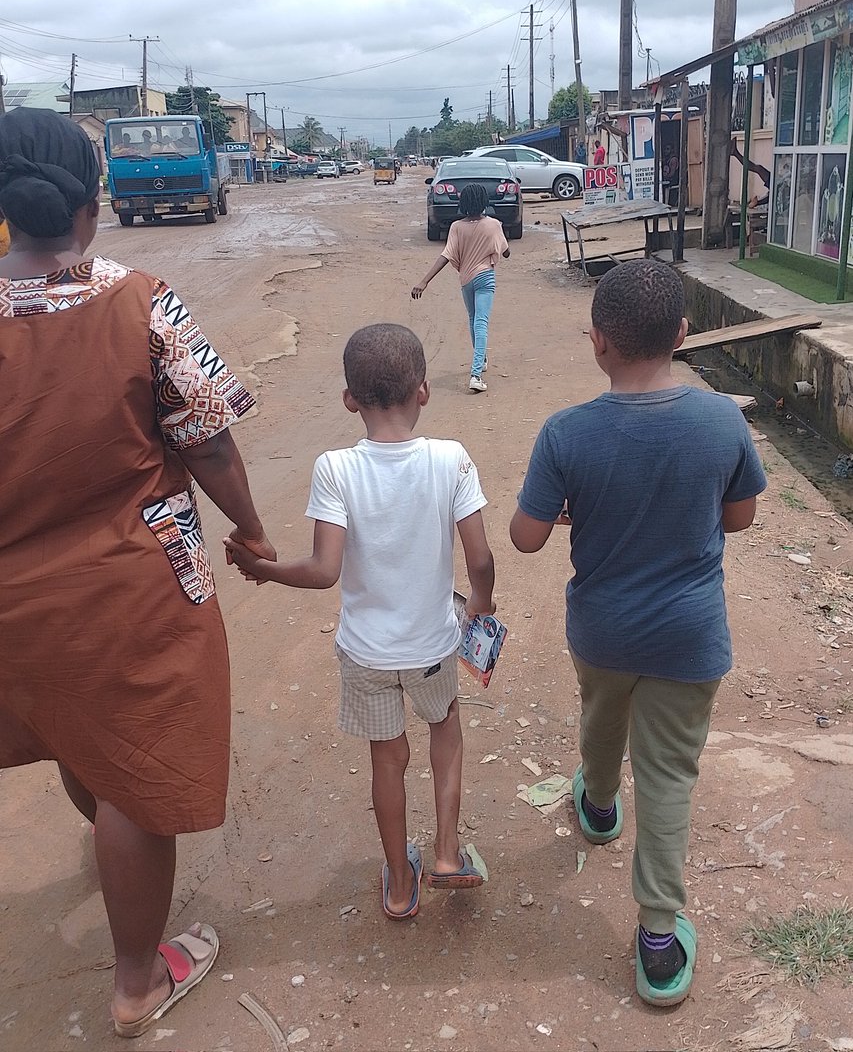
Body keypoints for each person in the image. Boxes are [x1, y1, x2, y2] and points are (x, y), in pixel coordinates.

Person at [0, 108, 275, 1038]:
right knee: (134, 771)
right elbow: (208, 440)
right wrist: (253, 530)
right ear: (93, 204)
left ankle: (112, 854)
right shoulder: (142, 300)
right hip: (134, 588)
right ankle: (134, 983)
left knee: (79, 737)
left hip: (14, 608)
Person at [509, 260, 766, 1008]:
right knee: (667, 778)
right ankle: (657, 937)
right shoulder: (720, 418)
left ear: (596, 342)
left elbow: (526, 538)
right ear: (682, 335)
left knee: (601, 717)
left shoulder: (566, 432)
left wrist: (567, 508)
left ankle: (594, 806)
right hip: (688, 639)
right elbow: (739, 516)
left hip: (602, 631)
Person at [225, 324, 496, 920]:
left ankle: (400, 884)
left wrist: (265, 571)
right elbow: (479, 557)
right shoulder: (451, 458)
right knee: (445, 731)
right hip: (431, 646)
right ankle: (447, 854)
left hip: (368, 653)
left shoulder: (335, 469)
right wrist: (481, 605)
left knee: (387, 759)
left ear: (350, 399)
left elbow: (325, 571)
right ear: (423, 391)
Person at [411, 182, 510, 393]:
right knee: (481, 322)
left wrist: (424, 281)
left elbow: (446, 256)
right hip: (485, 277)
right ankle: (475, 375)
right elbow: (505, 251)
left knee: (474, 320)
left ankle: (481, 359)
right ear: (484, 201)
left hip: (466, 279)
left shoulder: (457, 227)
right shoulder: (494, 224)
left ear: (463, 202)